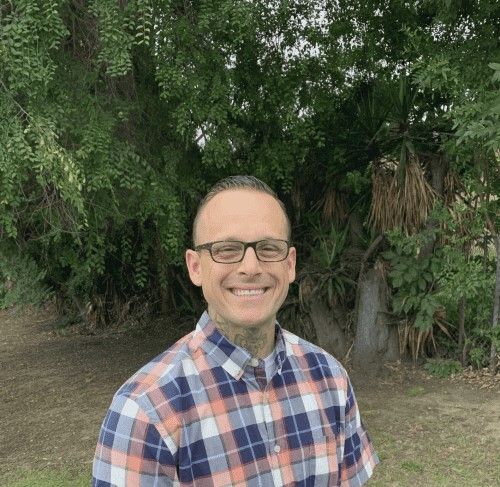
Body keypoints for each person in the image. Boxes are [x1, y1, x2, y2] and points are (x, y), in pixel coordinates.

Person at [92, 175, 379, 486]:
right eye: (227, 249)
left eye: (269, 248)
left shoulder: (331, 379)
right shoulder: (144, 413)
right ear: (195, 267)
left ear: (290, 264)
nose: (251, 267)